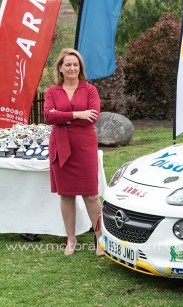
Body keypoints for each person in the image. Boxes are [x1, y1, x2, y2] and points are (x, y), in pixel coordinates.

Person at [44, 48, 103, 257]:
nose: (72, 68)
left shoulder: (90, 90)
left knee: (91, 195)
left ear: (80, 68)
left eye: (75, 64)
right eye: (67, 64)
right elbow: (48, 116)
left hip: (84, 145)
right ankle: (71, 238)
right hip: (61, 145)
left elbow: (93, 117)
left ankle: (100, 239)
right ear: (60, 68)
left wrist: (63, 116)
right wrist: (77, 114)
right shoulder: (52, 91)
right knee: (66, 195)